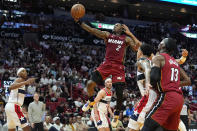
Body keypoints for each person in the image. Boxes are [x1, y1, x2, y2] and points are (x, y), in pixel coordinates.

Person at [73, 17, 141, 119]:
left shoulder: (126, 39)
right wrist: (79, 22)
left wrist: (130, 33)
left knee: (119, 94)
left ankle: (117, 112)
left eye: (117, 25)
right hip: (107, 64)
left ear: (122, 29)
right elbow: (92, 30)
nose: (115, 25)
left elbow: (137, 48)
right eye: (115, 25)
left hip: (118, 66)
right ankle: (91, 101)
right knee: (89, 84)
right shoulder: (107, 35)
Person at [141, 38, 191, 131]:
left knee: (148, 122)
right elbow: (188, 80)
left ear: (163, 46)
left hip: (167, 97)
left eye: (161, 42)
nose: (159, 43)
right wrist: (172, 83)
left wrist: (146, 83)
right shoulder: (175, 62)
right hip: (179, 99)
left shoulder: (159, 57)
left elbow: (154, 78)